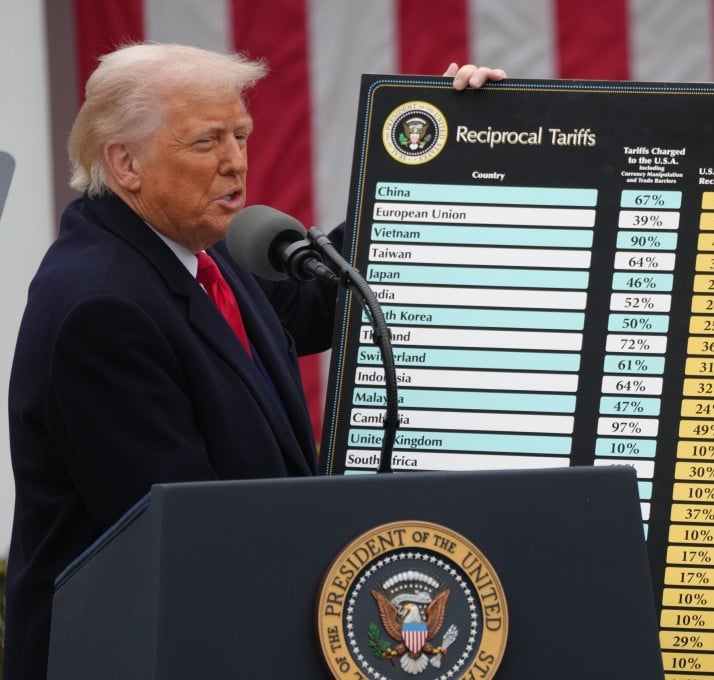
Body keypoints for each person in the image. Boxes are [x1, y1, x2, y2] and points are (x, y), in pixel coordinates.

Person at [3, 42, 505, 679]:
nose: (236, 161)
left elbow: (321, 296)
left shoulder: (195, 250)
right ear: (125, 163)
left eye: (240, 134)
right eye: (206, 142)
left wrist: (452, 147)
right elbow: (193, 536)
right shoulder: (103, 306)